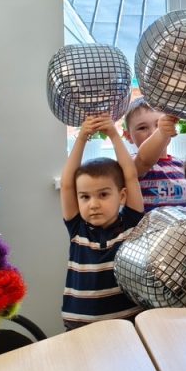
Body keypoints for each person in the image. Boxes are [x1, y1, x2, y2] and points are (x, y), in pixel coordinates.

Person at [59, 113, 145, 329]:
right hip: (79, 328)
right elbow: (67, 184)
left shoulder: (131, 224)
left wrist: (114, 134)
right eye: (85, 197)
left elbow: (130, 176)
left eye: (103, 195)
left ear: (122, 196)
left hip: (126, 325)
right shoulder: (77, 228)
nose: (93, 204)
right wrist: (81, 137)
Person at [123, 97, 186, 212]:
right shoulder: (132, 165)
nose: (153, 132)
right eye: (142, 128)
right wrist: (161, 132)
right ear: (128, 136)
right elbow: (144, 159)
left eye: (158, 125)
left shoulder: (183, 166)